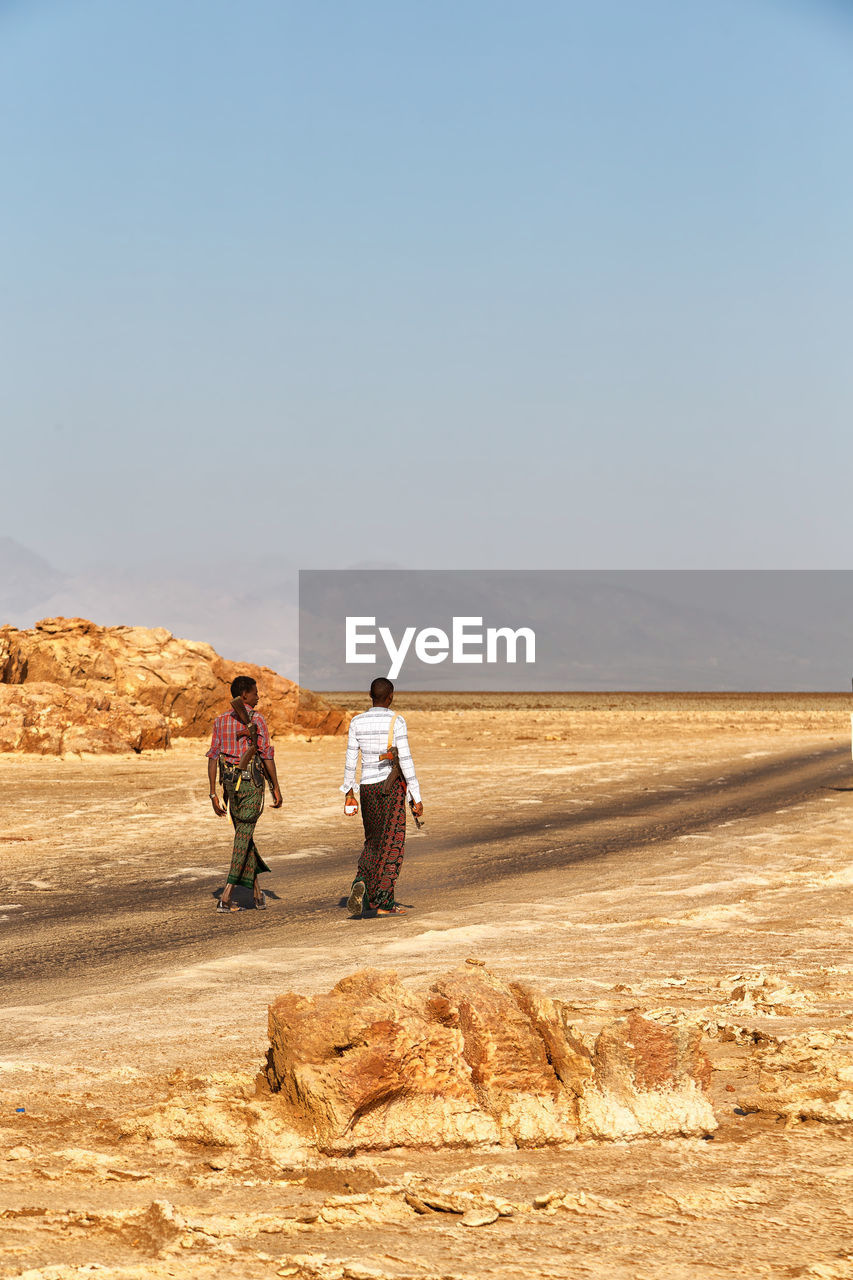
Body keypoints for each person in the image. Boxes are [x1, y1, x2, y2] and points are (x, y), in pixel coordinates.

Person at [342, 677, 424, 917]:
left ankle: (362, 881)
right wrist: (415, 796)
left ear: (370, 695)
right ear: (391, 697)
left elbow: (350, 761)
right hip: (390, 789)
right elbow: (405, 760)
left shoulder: (356, 721)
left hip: (367, 788)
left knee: (373, 841)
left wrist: (349, 793)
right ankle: (384, 903)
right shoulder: (396, 721)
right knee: (393, 843)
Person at [207, 675, 282, 912]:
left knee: (244, 836)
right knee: (243, 837)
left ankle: (258, 893)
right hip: (250, 786)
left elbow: (213, 757)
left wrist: (213, 793)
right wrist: (276, 787)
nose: (258, 696)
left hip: (229, 786)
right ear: (244, 696)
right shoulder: (257, 719)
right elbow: (266, 755)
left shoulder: (220, 720)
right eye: (255, 693)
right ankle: (227, 895)